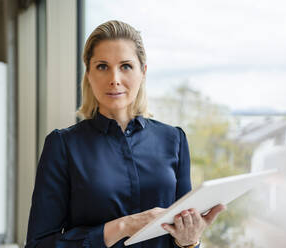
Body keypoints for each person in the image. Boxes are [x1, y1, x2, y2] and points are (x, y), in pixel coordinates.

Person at [25, 20, 225, 248]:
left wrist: (190, 242)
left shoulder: (174, 140)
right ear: (89, 74)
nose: (114, 79)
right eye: (102, 66)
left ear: (143, 72)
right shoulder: (63, 145)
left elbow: (181, 235)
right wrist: (122, 227)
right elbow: (38, 245)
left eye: (126, 66)